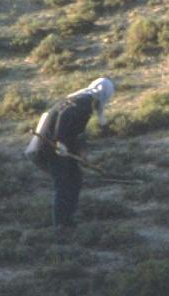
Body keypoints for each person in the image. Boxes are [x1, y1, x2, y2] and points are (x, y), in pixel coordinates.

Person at [27, 77, 115, 230]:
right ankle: (61, 225)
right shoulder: (83, 102)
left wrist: (79, 153)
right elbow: (64, 118)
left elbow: (74, 132)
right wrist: (60, 141)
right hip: (52, 148)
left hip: (57, 148)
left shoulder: (79, 100)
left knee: (74, 179)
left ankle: (68, 219)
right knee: (64, 183)